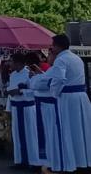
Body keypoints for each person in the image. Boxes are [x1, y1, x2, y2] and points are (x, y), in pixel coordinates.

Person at [31, 34, 91, 173]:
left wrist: (54, 93)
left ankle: (69, 164)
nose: (51, 49)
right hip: (81, 97)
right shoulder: (76, 58)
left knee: (67, 131)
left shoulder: (61, 60)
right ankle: (83, 160)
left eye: (52, 46)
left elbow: (58, 79)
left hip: (68, 99)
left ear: (57, 46)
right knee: (81, 130)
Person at [6, 52, 42, 169]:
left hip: (27, 107)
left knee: (30, 134)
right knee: (17, 134)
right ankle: (20, 160)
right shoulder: (12, 75)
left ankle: (34, 162)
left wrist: (21, 91)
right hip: (16, 107)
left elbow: (34, 91)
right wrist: (9, 108)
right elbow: (10, 92)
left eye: (11, 61)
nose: (9, 63)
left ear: (18, 63)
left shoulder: (29, 74)